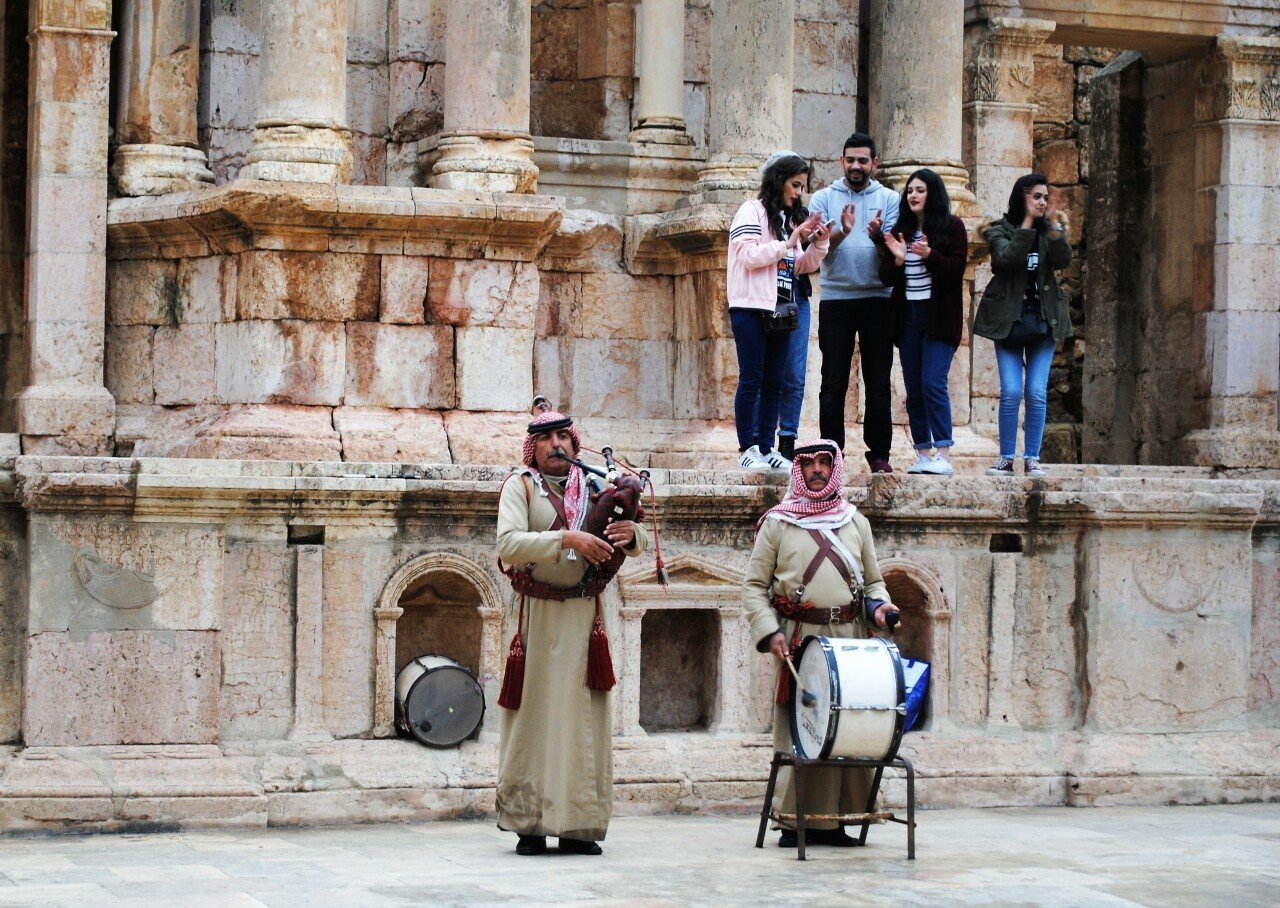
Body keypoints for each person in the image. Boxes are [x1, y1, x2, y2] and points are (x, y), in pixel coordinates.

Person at [494, 400, 649, 856]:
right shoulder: (519, 488)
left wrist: (631, 536)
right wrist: (566, 537)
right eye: (545, 438)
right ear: (533, 448)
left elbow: (635, 534)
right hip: (537, 619)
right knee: (536, 719)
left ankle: (580, 827)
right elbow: (507, 543)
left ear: (574, 443)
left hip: (586, 618)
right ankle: (531, 824)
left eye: (562, 437)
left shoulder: (597, 483)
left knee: (584, 722)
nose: (555, 444)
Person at [740, 438, 901, 847]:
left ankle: (840, 819)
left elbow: (874, 581)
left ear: (835, 468)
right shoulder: (777, 523)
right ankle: (794, 822)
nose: (816, 469)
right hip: (799, 641)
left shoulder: (855, 522)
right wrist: (769, 631)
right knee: (803, 731)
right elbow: (754, 587)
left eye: (823, 462)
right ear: (798, 470)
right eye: (807, 463)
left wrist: (880, 608)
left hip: (850, 640)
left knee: (846, 728)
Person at [727, 152, 831, 471]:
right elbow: (747, 255)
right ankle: (748, 447)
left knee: (774, 380)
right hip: (750, 307)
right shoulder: (750, 210)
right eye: (795, 185)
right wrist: (788, 242)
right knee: (752, 378)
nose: (799, 192)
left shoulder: (786, 219)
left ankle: (766, 446)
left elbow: (798, 267)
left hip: (781, 308)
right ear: (779, 181)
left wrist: (819, 245)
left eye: (802, 186)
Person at [809, 133, 901, 473]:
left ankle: (879, 455)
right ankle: (831, 456)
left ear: (875, 163)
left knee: (878, 381)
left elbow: (891, 252)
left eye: (863, 160)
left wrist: (877, 237)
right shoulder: (822, 198)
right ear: (841, 161)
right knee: (832, 380)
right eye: (851, 160)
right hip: (836, 298)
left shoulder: (890, 199)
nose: (856, 166)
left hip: (879, 299)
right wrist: (843, 232)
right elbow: (815, 252)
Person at [972, 173, 1073, 477]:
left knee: (1037, 391)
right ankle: (1006, 457)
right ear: (1022, 197)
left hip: (1043, 319)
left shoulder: (1049, 230)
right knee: (1012, 390)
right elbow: (1005, 259)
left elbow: (1063, 259)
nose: (1042, 202)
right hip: (1009, 321)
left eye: (1045, 197)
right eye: (1036, 196)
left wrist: (1055, 229)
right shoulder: (998, 230)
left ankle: (1032, 457)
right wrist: (1026, 224)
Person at [878, 168, 968, 475]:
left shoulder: (952, 227)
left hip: (938, 318)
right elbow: (885, 277)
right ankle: (922, 452)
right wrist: (899, 259)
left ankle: (943, 451)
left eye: (920, 190)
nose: (913, 195)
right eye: (910, 191)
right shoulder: (901, 229)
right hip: (908, 318)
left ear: (933, 194)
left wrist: (929, 254)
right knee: (914, 389)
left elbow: (956, 270)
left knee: (932, 382)